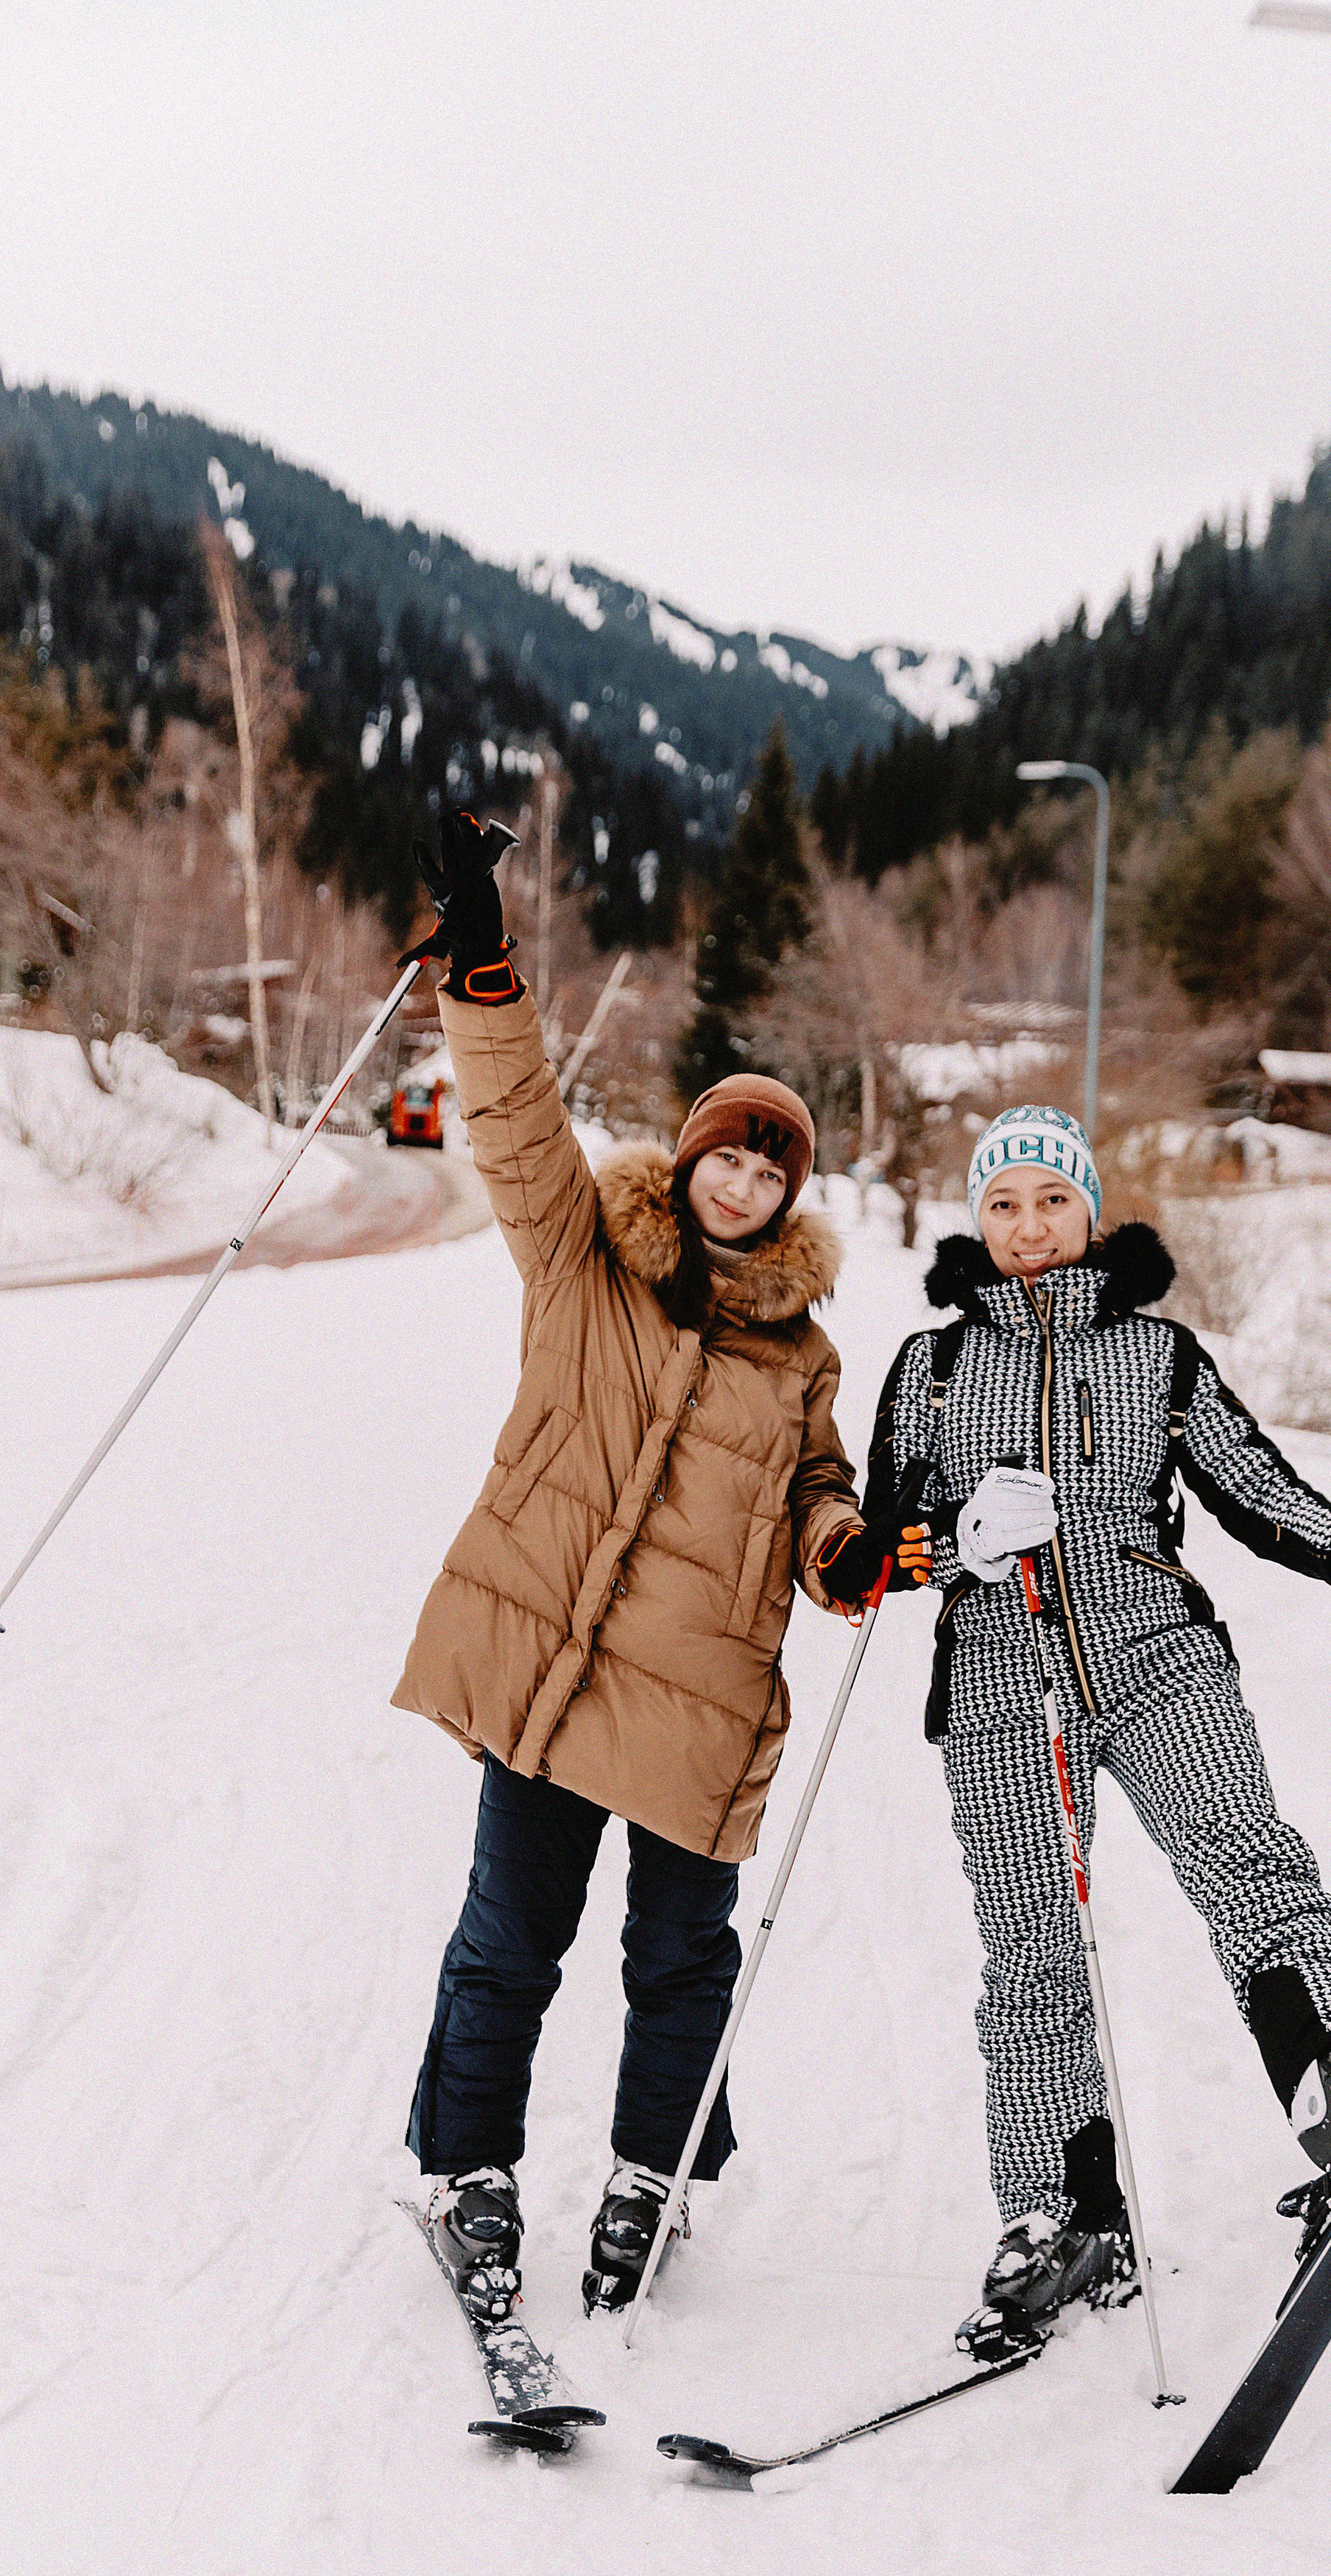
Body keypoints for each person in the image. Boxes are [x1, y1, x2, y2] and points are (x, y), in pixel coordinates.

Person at [393, 811, 899, 2319]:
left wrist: (846, 1547)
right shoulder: (580, 1258)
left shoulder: (801, 1355)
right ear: (685, 1158)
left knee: (678, 1962)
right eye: (726, 1154)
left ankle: (648, 2181)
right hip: (554, 1667)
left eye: (769, 1171)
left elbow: (818, 1493)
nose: (740, 1182)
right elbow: (518, 1124)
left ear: (788, 1201)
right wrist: (483, 973)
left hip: (699, 1690)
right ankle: (471, 2174)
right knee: (509, 1946)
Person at [855, 1102, 1331, 2340]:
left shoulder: (1156, 1353)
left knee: (1250, 1864)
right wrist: (954, 1544)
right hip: (998, 1688)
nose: (1029, 1227)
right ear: (979, 1221)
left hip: (1157, 1655)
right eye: (1004, 1205)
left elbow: (1254, 1490)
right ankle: (1064, 2220)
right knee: (1031, 1956)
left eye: (1052, 1201)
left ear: (1090, 1211)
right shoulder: (931, 1367)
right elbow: (873, 1548)